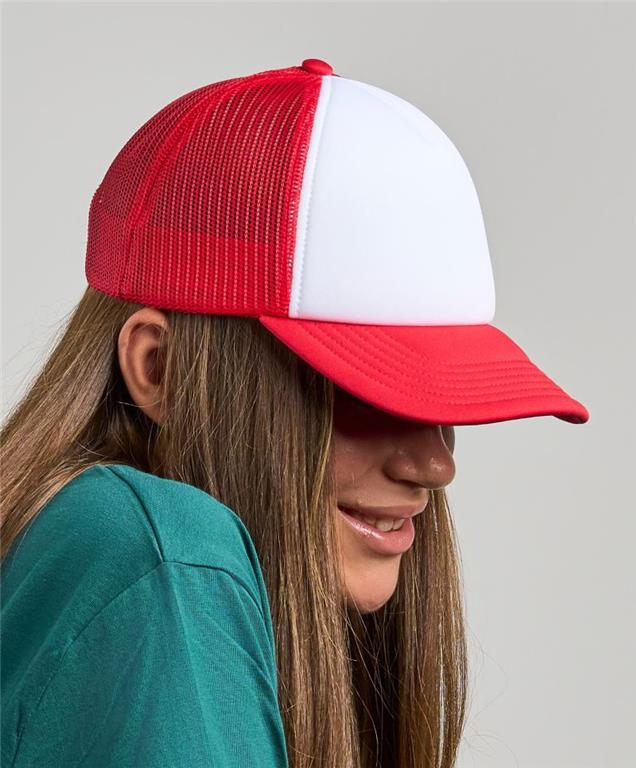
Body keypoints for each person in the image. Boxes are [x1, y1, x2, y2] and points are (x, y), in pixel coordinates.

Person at [0, 58, 589, 768]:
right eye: (363, 391)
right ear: (161, 370)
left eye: (438, 399)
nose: (435, 466)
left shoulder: (84, 553)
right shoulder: (159, 551)